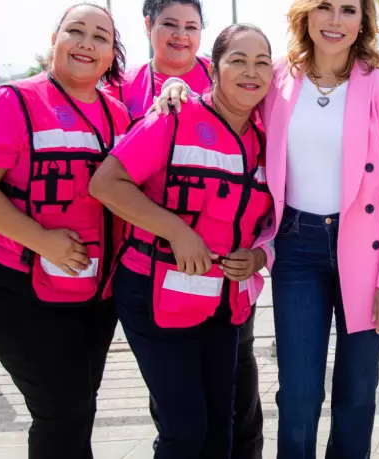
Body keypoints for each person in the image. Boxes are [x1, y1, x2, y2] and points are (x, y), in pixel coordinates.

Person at [154, 0, 379, 459]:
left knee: (357, 392)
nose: (334, 19)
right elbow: (225, 99)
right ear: (306, 13)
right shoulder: (278, 80)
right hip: (295, 246)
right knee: (297, 392)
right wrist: (178, 90)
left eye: (348, 10)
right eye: (324, 6)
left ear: (363, 21)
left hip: (365, 251)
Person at [0, 3, 132, 459]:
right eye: (76, 31)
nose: (87, 43)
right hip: (20, 293)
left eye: (101, 37)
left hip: (93, 294)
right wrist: (41, 240)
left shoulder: (118, 116)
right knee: (62, 410)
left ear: (111, 55)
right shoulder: (15, 101)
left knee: (77, 408)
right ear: (55, 41)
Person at [89, 24, 276, 459]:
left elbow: (273, 218)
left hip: (222, 302)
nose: (251, 72)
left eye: (262, 63)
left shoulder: (267, 139)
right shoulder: (175, 117)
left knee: (221, 424)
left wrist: (257, 254)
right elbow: (107, 183)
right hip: (154, 294)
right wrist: (177, 231)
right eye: (238, 61)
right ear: (214, 69)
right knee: (185, 428)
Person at [106, 0, 213, 119]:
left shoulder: (221, 77)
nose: (181, 35)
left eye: (191, 27)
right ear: (149, 25)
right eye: (170, 24)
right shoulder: (121, 85)